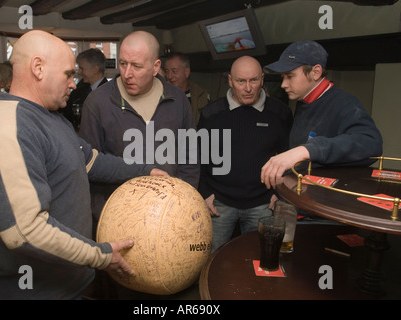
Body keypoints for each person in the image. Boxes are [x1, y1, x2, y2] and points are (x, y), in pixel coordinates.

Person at [0, 30, 167, 300]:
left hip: (71, 286)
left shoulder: (50, 117)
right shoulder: (9, 128)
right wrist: (99, 255)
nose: (74, 84)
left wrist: (146, 171)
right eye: (67, 74)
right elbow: (25, 231)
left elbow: (92, 162)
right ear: (38, 68)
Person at [79, 31, 199, 220]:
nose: (127, 74)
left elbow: (189, 157)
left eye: (136, 66)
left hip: (169, 213)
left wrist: (184, 202)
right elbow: (89, 165)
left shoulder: (178, 100)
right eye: (123, 63)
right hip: (119, 217)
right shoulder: (97, 102)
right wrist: (103, 216)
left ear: (155, 66)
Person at [197, 55, 293, 251]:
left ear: (262, 80)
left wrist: (278, 193)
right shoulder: (211, 113)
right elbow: (198, 157)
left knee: (255, 259)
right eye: (241, 81)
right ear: (230, 81)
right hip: (219, 203)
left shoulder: (280, 113)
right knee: (213, 260)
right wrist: (205, 193)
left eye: (254, 80)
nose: (248, 88)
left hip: (263, 204)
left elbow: (288, 157)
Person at [260, 40, 383, 190]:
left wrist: (307, 150)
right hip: (301, 197)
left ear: (316, 72)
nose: (283, 84)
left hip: (325, 203)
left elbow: (371, 143)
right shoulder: (303, 100)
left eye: (290, 76)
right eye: (282, 77)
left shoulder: (344, 103)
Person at [61, 48, 108, 126]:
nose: (79, 72)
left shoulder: (110, 94)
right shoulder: (79, 89)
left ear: (95, 69)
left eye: (82, 69)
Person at [164, 52, 210, 124]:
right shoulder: (162, 95)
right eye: (167, 72)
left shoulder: (201, 95)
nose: (169, 76)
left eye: (174, 71)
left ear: (186, 72)